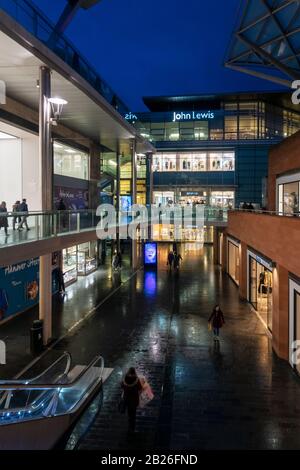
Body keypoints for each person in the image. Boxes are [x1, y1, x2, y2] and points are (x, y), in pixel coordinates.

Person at [121, 367, 143, 433]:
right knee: (133, 412)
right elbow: (140, 388)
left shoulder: (124, 380)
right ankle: (132, 426)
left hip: (127, 399)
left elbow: (121, 386)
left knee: (129, 411)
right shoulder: (136, 380)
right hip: (134, 400)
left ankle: (130, 421)